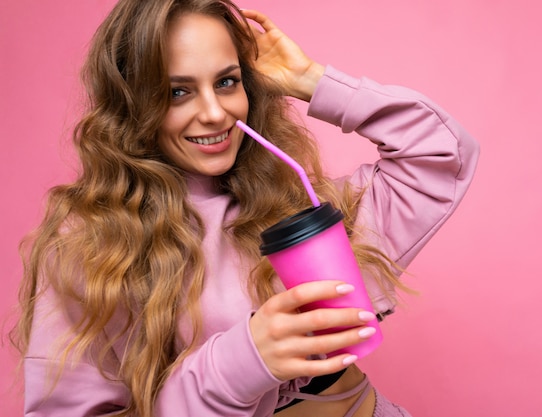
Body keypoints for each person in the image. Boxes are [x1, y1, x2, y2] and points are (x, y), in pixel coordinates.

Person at [11, 0, 479, 416]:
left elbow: (441, 153)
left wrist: (310, 81)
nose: (215, 112)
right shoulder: (91, 247)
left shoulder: (299, 206)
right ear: (132, 102)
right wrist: (242, 362)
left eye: (227, 81)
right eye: (178, 91)